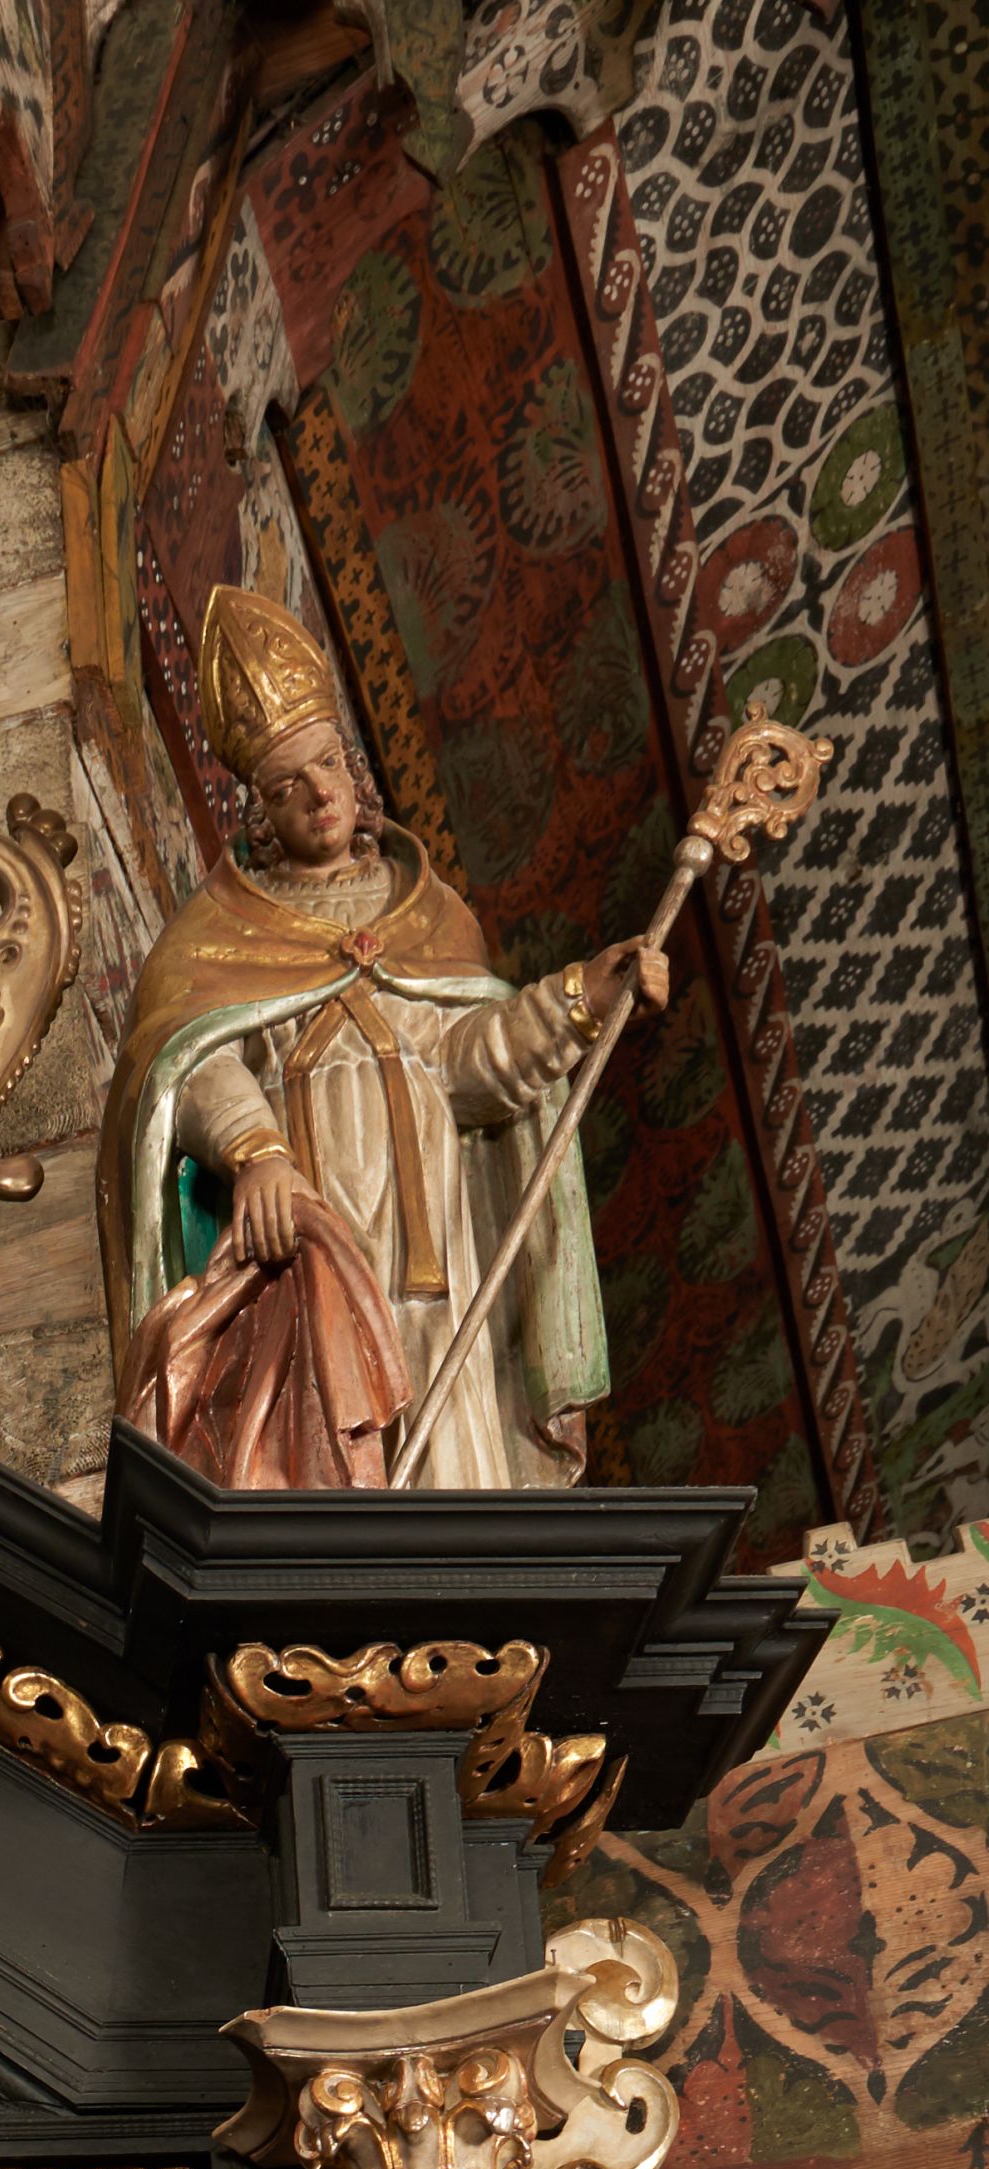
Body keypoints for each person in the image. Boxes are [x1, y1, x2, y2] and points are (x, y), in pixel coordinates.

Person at [99, 584, 666, 1492]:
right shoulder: (211, 940)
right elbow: (189, 1062)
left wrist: (579, 997)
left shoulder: (428, 915)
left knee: (452, 1459)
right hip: (308, 1252)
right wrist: (256, 1153)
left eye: (329, 763)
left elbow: (473, 1064)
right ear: (259, 808)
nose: (321, 794)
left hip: (430, 1252)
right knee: (318, 1453)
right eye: (288, 785)